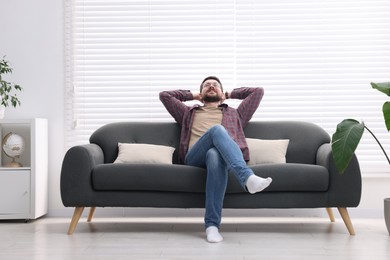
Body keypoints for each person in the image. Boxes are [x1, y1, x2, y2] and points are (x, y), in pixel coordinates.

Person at [159, 76, 272, 243]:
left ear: (221, 92)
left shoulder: (236, 114)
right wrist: (193, 95)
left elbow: (258, 92)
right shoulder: (187, 113)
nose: (211, 87)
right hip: (194, 158)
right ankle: (247, 177)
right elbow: (165, 95)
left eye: (215, 86)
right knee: (216, 130)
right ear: (201, 92)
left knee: (214, 154)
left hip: (223, 159)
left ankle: (212, 227)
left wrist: (230, 93)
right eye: (206, 86)